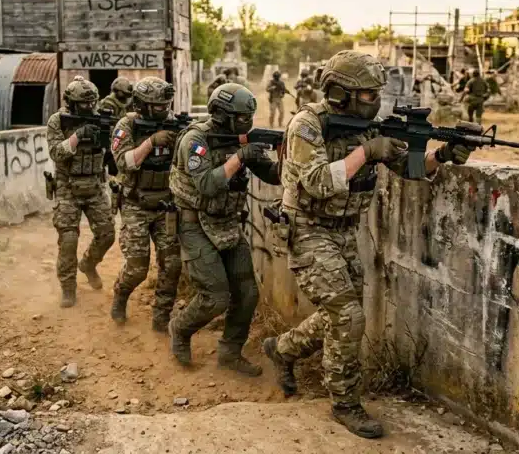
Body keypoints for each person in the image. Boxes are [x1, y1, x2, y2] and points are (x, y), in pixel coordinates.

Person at [260, 50, 473, 440]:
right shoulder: (308, 125)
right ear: (340, 95)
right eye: (368, 95)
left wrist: (442, 154)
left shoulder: (370, 128)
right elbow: (318, 182)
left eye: (377, 94)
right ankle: (344, 402)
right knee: (348, 316)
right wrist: (367, 152)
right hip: (307, 229)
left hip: (344, 231)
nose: (376, 102)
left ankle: (284, 350)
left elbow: (409, 170)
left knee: (340, 313)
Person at [168, 83, 281, 376]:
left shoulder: (240, 140)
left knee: (247, 293)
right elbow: (206, 183)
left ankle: (230, 352)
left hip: (227, 223)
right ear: (220, 115)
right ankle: (179, 330)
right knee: (216, 296)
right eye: (241, 118)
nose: (247, 123)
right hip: (194, 224)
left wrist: (288, 155)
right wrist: (240, 158)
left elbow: (271, 176)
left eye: (249, 117)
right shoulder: (196, 140)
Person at [108, 77, 184, 333]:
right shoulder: (126, 125)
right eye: (158, 106)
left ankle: (161, 317)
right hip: (135, 205)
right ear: (142, 105)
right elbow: (124, 162)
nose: (164, 109)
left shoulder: (174, 124)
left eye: (166, 104)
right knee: (137, 269)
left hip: (166, 205)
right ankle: (120, 295)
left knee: (172, 264)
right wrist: (151, 142)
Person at [45, 78, 116, 308]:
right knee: (68, 239)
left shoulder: (101, 119)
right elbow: (57, 152)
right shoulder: (58, 121)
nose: (89, 108)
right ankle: (68, 288)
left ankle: (88, 264)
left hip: (95, 184)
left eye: (92, 103)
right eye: (84, 104)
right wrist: (77, 136)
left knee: (107, 234)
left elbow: (114, 152)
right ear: (71, 103)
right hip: (67, 186)